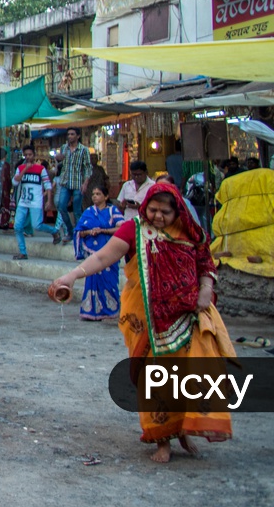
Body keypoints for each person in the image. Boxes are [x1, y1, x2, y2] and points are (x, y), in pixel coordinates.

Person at [50, 183, 234, 463]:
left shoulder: (189, 231)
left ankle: (182, 429)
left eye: (165, 212)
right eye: (153, 209)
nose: (158, 216)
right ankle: (162, 440)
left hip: (188, 315)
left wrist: (206, 287)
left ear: (178, 211)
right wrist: (72, 276)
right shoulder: (133, 229)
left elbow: (204, 261)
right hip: (148, 319)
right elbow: (103, 256)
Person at [72, 185, 123, 321]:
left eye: (98, 194)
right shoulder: (88, 212)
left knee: (109, 281)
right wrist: (90, 232)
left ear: (106, 197)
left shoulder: (113, 211)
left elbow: (121, 229)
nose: (95, 196)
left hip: (110, 252)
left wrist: (103, 231)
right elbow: (79, 232)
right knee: (92, 279)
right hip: (93, 253)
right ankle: (91, 311)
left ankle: (110, 310)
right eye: (93, 194)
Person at [11, 143, 59, 259]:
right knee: (17, 227)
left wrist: (49, 201)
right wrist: (25, 169)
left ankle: (54, 231)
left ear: (34, 155)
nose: (28, 157)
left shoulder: (41, 169)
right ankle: (23, 252)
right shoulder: (20, 168)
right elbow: (15, 182)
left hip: (36, 201)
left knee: (37, 225)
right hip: (23, 201)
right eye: (26, 155)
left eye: (30, 154)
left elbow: (48, 185)